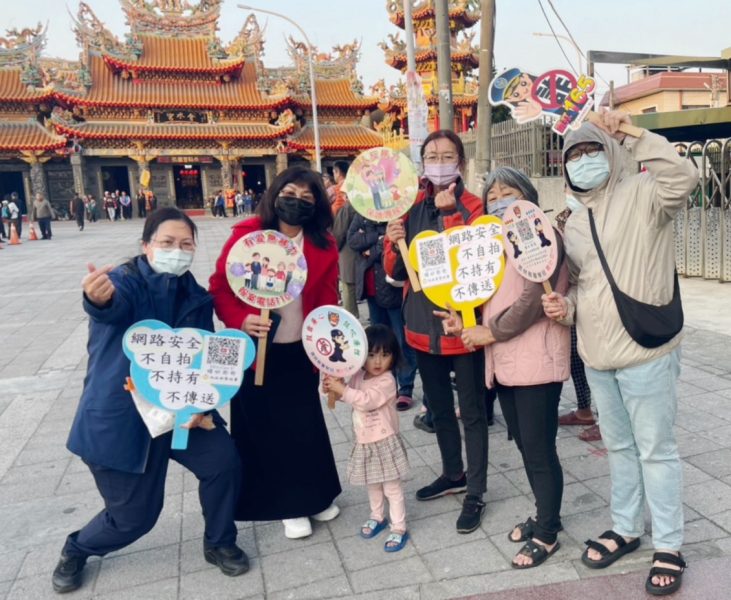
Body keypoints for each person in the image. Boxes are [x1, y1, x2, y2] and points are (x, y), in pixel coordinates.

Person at [542, 110, 699, 596]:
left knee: (656, 450)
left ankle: (668, 544)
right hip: (597, 354)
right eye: (575, 155)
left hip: (646, 349)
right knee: (621, 449)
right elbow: (584, 285)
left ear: (611, 152)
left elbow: (685, 176)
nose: (584, 160)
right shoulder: (571, 222)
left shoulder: (644, 193)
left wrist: (631, 132)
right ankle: (626, 527)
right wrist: (565, 307)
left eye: (593, 150)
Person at [52, 208, 249, 594]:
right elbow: (110, 307)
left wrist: (202, 407)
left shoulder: (197, 297)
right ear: (146, 245)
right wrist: (96, 299)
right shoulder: (124, 283)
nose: (178, 250)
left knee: (223, 463)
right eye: (167, 242)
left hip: (180, 412)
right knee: (134, 518)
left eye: (186, 244)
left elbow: (202, 359)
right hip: (124, 419)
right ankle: (77, 548)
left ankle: (220, 542)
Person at [438, 167, 570, 568]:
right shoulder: (498, 242)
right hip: (506, 362)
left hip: (536, 360)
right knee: (527, 446)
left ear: (528, 195)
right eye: (492, 196)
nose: (499, 201)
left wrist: (489, 332)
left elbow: (532, 302)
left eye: (508, 192)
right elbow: (490, 298)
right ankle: (545, 514)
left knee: (539, 449)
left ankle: (547, 533)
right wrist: (466, 323)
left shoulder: (540, 235)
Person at [209, 165, 342, 540]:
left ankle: (315, 495)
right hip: (257, 350)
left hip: (300, 348)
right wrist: (241, 320)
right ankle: (286, 506)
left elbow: (327, 297)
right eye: (289, 193)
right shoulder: (247, 236)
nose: (296, 201)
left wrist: (328, 350)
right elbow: (219, 288)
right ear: (274, 194)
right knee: (268, 428)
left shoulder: (322, 244)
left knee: (304, 426)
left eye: (307, 196)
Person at [384, 129, 488, 534]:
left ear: (460, 162)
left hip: (461, 327)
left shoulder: (474, 205)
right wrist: (393, 241)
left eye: (447, 156)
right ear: (421, 161)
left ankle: (476, 490)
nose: (439, 162)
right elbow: (395, 272)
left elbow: (475, 264)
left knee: (473, 413)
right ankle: (453, 473)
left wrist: (450, 216)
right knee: (439, 409)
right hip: (420, 326)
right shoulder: (409, 206)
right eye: (431, 155)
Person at [323, 324, 410, 552]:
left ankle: (399, 527)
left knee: (392, 488)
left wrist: (343, 390)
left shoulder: (387, 381)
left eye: (385, 354)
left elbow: (366, 401)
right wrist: (332, 387)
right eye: (371, 355)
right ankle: (377, 516)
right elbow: (347, 396)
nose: (378, 361)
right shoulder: (358, 376)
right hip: (364, 442)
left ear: (394, 356)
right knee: (373, 484)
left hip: (385, 442)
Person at [348, 213, 418, 410]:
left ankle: (405, 388)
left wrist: (371, 247)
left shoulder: (396, 214)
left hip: (392, 290)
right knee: (377, 342)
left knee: (402, 341)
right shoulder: (362, 214)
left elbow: (395, 248)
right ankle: (384, 384)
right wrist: (379, 239)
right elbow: (352, 240)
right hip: (371, 290)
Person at [555, 203, 600, 442]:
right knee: (575, 357)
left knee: (599, 364)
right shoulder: (567, 216)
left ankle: (607, 420)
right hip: (574, 299)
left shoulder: (600, 214)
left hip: (598, 304)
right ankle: (584, 410)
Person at [332, 186, 359, 318]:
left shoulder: (348, 207)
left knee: (348, 288)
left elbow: (339, 232)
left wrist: (335, 248)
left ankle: (351, 317)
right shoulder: (363, 207)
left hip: (347, 252)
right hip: (360, 251)